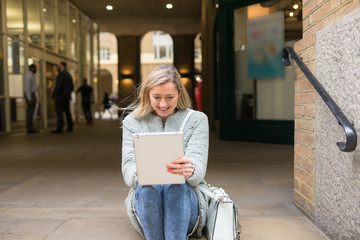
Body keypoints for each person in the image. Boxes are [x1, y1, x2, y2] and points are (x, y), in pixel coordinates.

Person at [121, 65, 209, 239]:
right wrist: (142, 174)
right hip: (146, 200)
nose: (163, 104)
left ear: (179, 94)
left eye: (169, 97)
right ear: (147, 94)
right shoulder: (132, 122)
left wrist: (189, 169)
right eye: (156, 97)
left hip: (185, 201)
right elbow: (128, 166)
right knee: (148, 186)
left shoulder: (197, 120)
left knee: (175, 184)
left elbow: (198, 165)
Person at [51, 61, 74, 133]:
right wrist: (68, 94)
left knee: (59, 112)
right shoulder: (68, 75)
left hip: (60, 96)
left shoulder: (61, 75)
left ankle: (60, 128)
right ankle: (70, 126)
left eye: (58, 66)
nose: (57, 67)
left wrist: (54, 94)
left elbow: (59, 86)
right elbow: (72, 87)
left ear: (61, 66)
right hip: (67, 96)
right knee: (67, 112)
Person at [24, 64, 39, 134]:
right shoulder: (28, 76)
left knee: (32, 112)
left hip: (33, 94)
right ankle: (29, 128)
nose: (36, 69)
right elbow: (27, 88)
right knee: (29, 112)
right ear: (32, 68)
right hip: (30, 95)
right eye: (35, 68)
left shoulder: (33, 75)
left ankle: (31, 127)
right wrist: (29, 98)